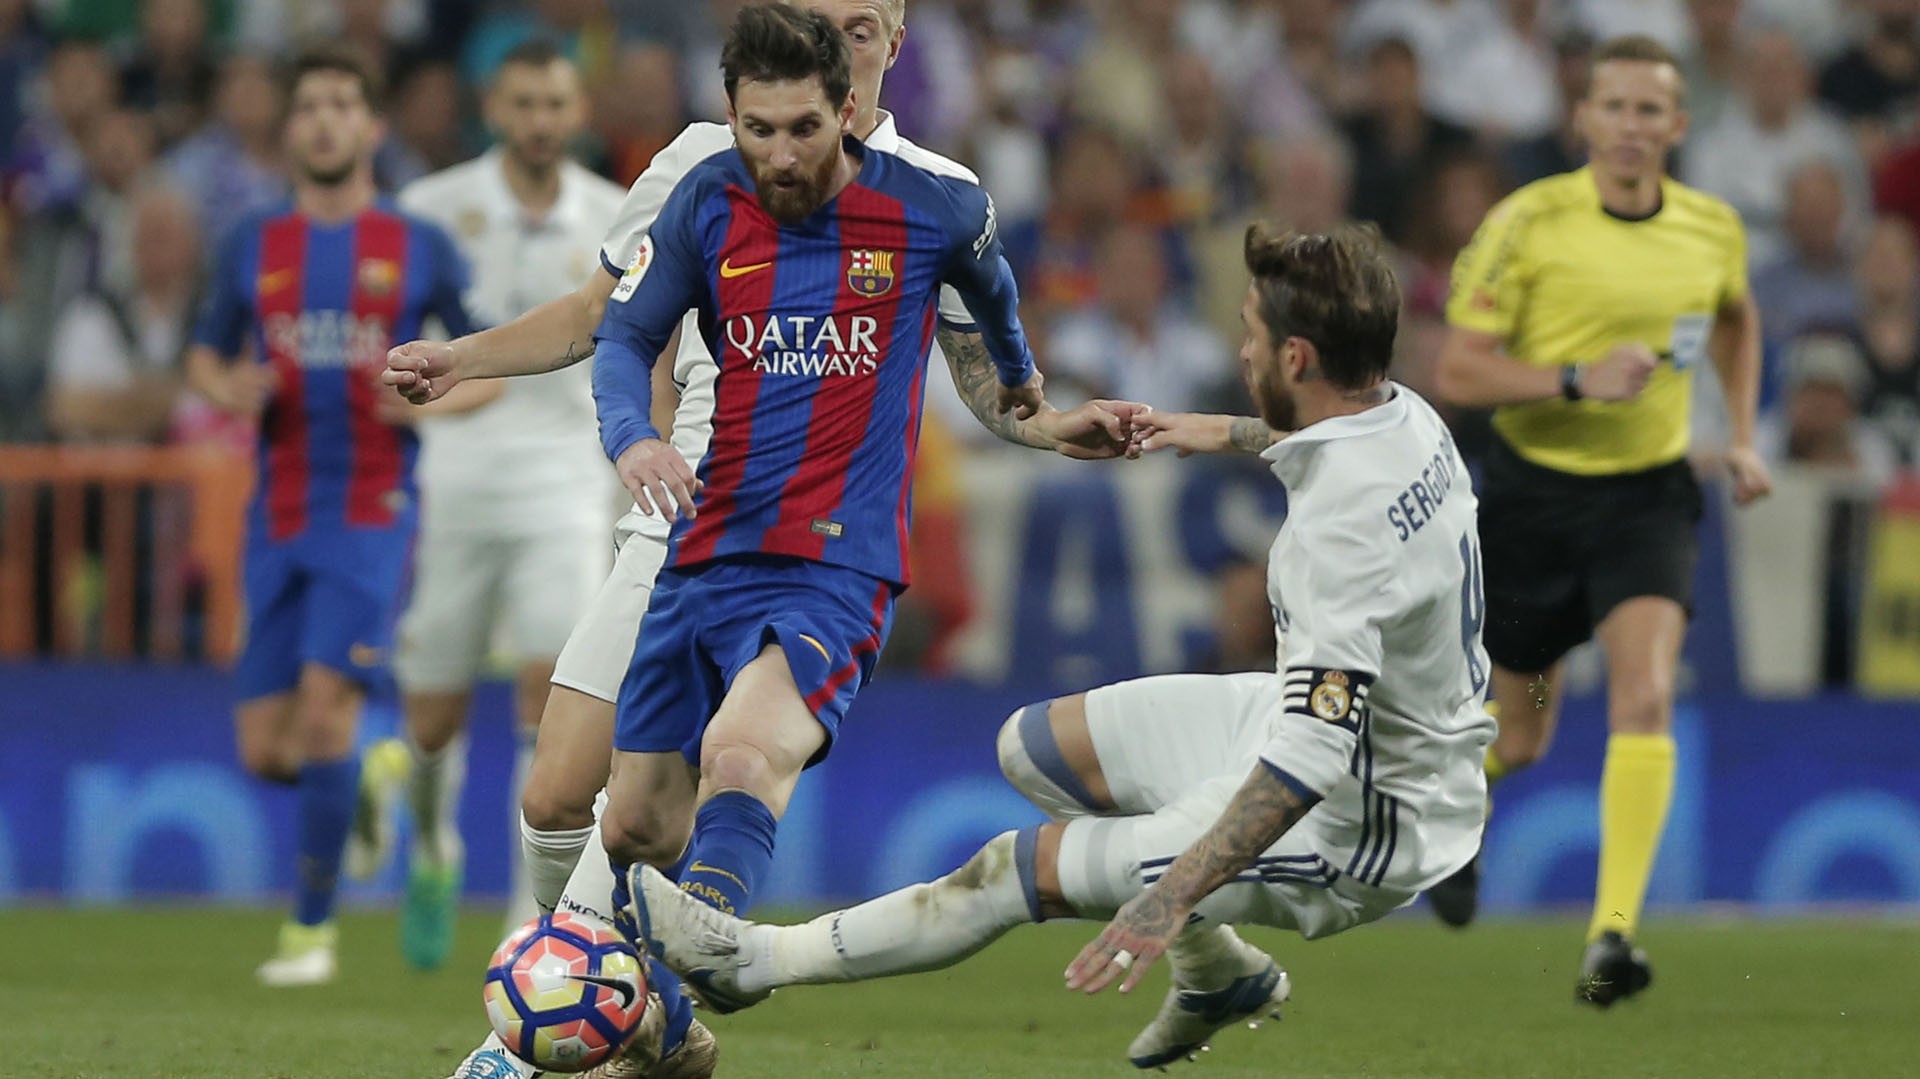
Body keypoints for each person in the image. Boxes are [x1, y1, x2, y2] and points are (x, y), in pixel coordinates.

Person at [384, 4, 1128, 1077]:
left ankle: (565, 1031)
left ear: (891, 44)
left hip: (826, 544)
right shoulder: (700, 167)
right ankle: (620, 1009)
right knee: (570, 800)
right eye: (821, 20)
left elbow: (991, 372)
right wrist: (473, 361)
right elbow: (605, 316)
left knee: (740, 754)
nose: (840, 41)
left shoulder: (936, 197)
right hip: (681, 513)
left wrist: (1047, 423)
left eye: (861, 26)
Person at [623, 222, 1496, 1071]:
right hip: (1315, 718)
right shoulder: (1401, 414)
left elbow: (1313, 756)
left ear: (1296, 358)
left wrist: (1171, 895)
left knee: (1013, 868)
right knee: (1039, 748)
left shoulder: (1342, 532)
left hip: (1361, 812)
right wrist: (1220, 430)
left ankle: (752, 961)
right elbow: (1325, 445)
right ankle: (1219, 971)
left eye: (1252, 337)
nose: (1242, 353)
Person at [1429, 35, 1772, 1004]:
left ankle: (1611, 935)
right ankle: (1462, 810)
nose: (1629, 126)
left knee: (1646, 695)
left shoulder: (1712, 228)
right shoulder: (1525, 222)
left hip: (1646, 501)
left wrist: (1742, 434)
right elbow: (1458, 369)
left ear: (1677, 125)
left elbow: (1737, 319)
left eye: (1648, 109)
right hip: (1534, 501)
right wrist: (1575, 378)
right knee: (1524, 733)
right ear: (1582, 119)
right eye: (1612, 106)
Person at [184, 42, 480, 988]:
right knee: (265, 748)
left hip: (371, 508)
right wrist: (227, 387)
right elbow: (203, 354)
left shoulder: (417, 244)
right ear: (289, 129)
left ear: (372, 126)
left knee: (322, 715)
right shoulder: (252, 242)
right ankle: (373, 781)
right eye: (309, 105)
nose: (324, 121)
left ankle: (310, 933)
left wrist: (431, 400)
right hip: (277, 511)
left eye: (342, 104)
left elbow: (484, 367)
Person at [382, 38, 627, 971]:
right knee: (431, 712)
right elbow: (394, 343)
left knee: (549, 691)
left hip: (566, 481)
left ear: (578, 112)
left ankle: (526, 919)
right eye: (523, 103)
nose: (539, 121)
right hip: (454, 479)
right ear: (494, 108)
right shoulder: (431, 209)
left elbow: (634, 346)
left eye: (554, 104)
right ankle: (432, 844)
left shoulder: (612, 215)